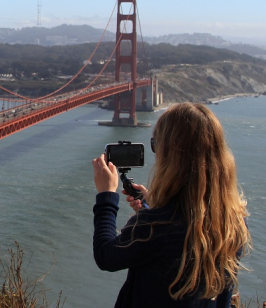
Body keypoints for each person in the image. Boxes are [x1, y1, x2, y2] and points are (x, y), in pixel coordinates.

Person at [91, 102, 251, 308]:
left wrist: (106, 196)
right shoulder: (234, 222)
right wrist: (154, 207)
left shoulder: (155, 227)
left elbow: (106, 256)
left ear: (170, 155)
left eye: (156, 145)